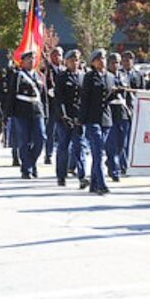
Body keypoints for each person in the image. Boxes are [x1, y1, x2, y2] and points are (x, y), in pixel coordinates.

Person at [80, 49, 115, 195]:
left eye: (104, 58)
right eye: (99, 59)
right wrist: (80, 121)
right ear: (93, 62)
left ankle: (94, 184)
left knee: (98, 152)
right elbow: (85, 100)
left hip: (105, 119)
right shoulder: (89, 77)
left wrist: (114, 94)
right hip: (92, 118)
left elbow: (107, 98)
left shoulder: (110, 77)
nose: (102, 61)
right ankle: (101, 184)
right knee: (98, 151)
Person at [7, 51, 47, 179]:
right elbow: (11, 95)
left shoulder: (39, 76)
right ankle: (27, 169)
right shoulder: (18, 75)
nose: (31, 61)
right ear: (22, 62)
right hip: (21, 111)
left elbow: (44, 97)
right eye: (28, 59)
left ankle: (31, 162)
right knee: (24, 141)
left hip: (37, 111)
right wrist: (9, 113)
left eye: (33, 59)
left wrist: (45, 113)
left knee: (41, 139)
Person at [54, 49, 88, 188]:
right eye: (72, 60)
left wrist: (83, 116)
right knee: (63, 147)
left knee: (80, 147)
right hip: (65, 117)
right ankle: (61, 176)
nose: (75, 62)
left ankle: (82, 176)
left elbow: (85, 99)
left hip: (78, 117)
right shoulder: (62, 77)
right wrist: (63, 115)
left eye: (77, 60)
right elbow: (59, 98)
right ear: (66, 61)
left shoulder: (83, 76)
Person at [105, 52, 130, 183]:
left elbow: (128, 94)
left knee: (122, 144)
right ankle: (114, 170)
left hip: (123, 112)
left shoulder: (124, 75)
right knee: (112, 144)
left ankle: (111, 162)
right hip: (110, 112)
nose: (116, 65)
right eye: (114, 62)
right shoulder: (105, 76)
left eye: (118, 62)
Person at [120, 50, 144, 175]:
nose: (127, 62)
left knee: (132, 139)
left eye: (129, 59)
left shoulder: (138, 75)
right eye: (124, 59)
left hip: (135, 110)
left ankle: (130, 162)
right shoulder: (118, 74)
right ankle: (123, 164)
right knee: (123, 139)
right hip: (123, 110)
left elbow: (142, 91)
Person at [44, 47, 64, 165]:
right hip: (51, 105)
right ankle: (48, 154)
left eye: (59, 55)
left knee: (62, 131)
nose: (57, 57)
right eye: (55, 55)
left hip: (62, 105)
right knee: (50, 131)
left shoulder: (64, 70)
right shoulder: (47, 70)